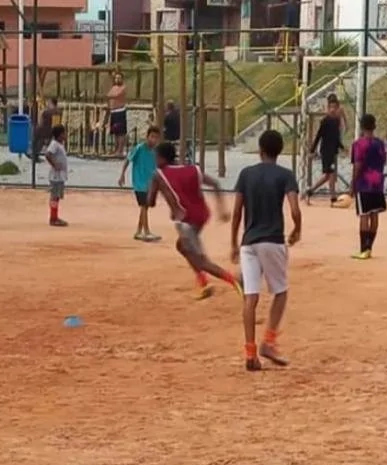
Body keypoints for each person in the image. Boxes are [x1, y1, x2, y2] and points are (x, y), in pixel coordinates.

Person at [231, 129, 302, 372]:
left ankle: (250, 353)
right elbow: (294, 209)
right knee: (280, 292)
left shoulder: (246, 174)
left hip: (248, 242)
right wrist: (297, 229)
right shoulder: (285, 175)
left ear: (260, 150)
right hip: (272, 240)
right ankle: (269, 342)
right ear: (279, 151)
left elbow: (237, 211)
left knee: (250, 297)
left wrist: (233, 242)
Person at [148, 141, 241, 300]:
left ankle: (234, 281)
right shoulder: (192, 169)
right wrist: (222, 209)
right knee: (182, 246)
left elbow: (150, 202)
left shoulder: (158, 175)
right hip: (201, 216)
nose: (154, 160)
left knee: (201, 260)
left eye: (155, 157)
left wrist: (154, 190)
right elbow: (215, 184)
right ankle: (203, 282)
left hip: (185, 221)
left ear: (162, 158)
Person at [350, 113, 387, 260]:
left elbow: (358, 165)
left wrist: (353, 183)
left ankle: (363, 248)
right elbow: (384, 161)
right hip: (377, 183)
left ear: (361, 126)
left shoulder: (359, 144)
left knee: (364, 215)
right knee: (374, 214)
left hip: (364, 183)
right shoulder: (380, 143)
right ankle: (370, 247)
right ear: (374, 126)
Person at [118, 125, 162, 242]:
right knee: (144, 205)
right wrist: (122, 175)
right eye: (152, 136)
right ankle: (146, 231)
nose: (154, 140)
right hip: (139, 183)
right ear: (147, 137)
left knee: (145, 207)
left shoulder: (155, 152)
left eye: (156, 137)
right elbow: (128, 160)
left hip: (149, 183)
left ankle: (138, 231)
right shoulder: (139, 148)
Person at [305, 93, 346, 205]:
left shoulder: (336, 121)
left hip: (333, 150)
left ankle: (310, 191)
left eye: (334, 107)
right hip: (326, 150)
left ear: (338, 108)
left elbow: (336, 137)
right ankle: (333, 198)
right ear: (327, 108)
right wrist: (312, 150)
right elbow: (319, 135)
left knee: (327, 175)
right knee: (331, 173)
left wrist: (342, 147)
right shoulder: (325, 121)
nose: (332, 110)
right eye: (330, 107)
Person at [44, 124, 68, 227]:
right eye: (63, 133)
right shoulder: (54, 144)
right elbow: (48, 154)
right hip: (55, 176)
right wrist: (54, 165)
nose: (65, 135)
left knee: (57, 196)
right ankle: (53, 218)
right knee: (54, 196)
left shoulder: (60, 144)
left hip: (60, 175)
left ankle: (55, 216)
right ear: (59, 134)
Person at [108, 72, 128, 156]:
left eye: (119, 78)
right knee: (115, 132)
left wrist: (110, 95)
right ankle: (116, 149)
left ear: (122, 79)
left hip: (120, 111)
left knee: (121, 132)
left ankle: (120, 150)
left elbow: (115, 95)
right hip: (113, 112)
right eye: (116, 78)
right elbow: (109, 94)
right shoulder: (113, 87)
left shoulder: (123, 88)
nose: (117, 79)